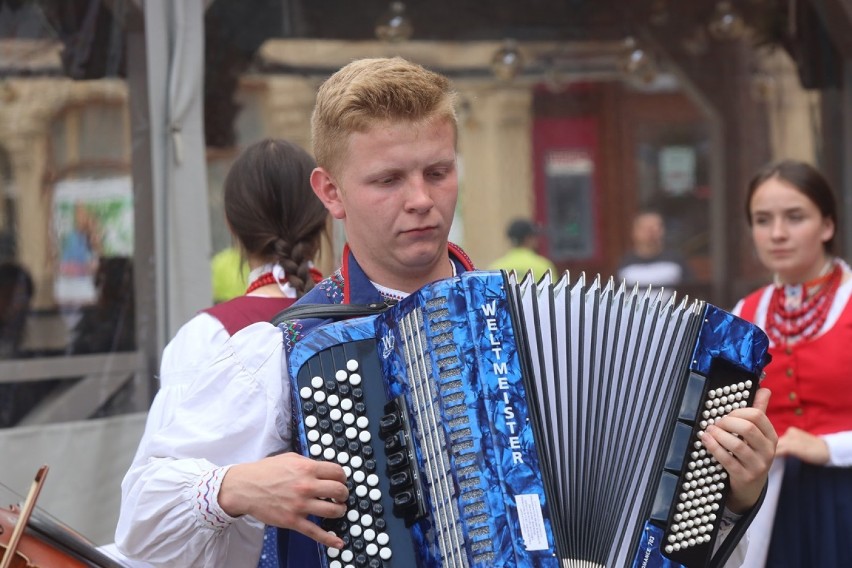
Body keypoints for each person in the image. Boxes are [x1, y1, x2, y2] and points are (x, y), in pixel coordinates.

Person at [116, 57, 774, 568]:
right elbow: (140, 525)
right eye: (388, 180)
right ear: (330, 192)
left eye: (438, 172)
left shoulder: (532, 321)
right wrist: (232, 487)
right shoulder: (286, 347)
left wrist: (737, 491)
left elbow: (678, 543)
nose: (422, 200)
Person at [116, 138, 328, 566]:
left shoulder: (207, 336)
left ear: (232, 226)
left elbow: (148, 522)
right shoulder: (357, 318)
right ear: (325, 215)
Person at [733, 159, 852, 566]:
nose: (777, 233)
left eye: (795, 217)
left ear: (828, 226)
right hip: (769, 506)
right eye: (762, 220)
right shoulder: (744, 315)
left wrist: (828, 446)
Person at [616, 208, 693, 300]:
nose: (651, 232)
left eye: (655, 227)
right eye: (645, 228)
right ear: (634, 232)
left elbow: (691, 292)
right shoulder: (625, 263)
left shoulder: (676, 260)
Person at [488, 217, 556, 280]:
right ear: (528, 238)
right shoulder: (542, 266)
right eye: (535, 236)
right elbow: (552, 292)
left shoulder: (495, 268)